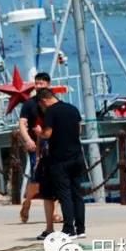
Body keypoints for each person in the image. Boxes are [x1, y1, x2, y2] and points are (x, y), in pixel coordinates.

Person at [35, 87, 86, 240]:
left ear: (44, 101)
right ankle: (81, 228)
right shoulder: (72, 108)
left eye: (41, 106)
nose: (42, 109)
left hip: (60, 159)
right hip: (77, 156)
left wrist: (39, 132)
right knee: (77, 193)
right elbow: (79, 130)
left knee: (65, 194)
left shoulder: (51, 112)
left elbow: (48, 133)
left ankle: (69, 228)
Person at [19, 72, 54, 224]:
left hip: (52, 143)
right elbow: (22, 123)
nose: (38, 86)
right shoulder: (29, 104)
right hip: (36, 145)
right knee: (36, 178)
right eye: (37, 83)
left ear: (48, 84)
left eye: (42, 83)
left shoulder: (53, 102)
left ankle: (55, 212)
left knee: (55, 177)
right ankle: (27, 203)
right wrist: (27, 140)